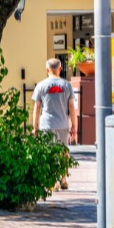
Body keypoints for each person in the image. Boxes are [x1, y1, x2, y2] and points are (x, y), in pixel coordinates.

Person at [32, 57, 77, 190]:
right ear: (60, 69)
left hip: (47, 124)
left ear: (47, 70)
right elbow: (71, 107)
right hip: (63, 123)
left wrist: (35, 127)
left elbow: (37, 107)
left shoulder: (41, 85)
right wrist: (74, 125)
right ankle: (63, 179)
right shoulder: (67, 85)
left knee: (49, 151)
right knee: (63, 151)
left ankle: (52, 181)